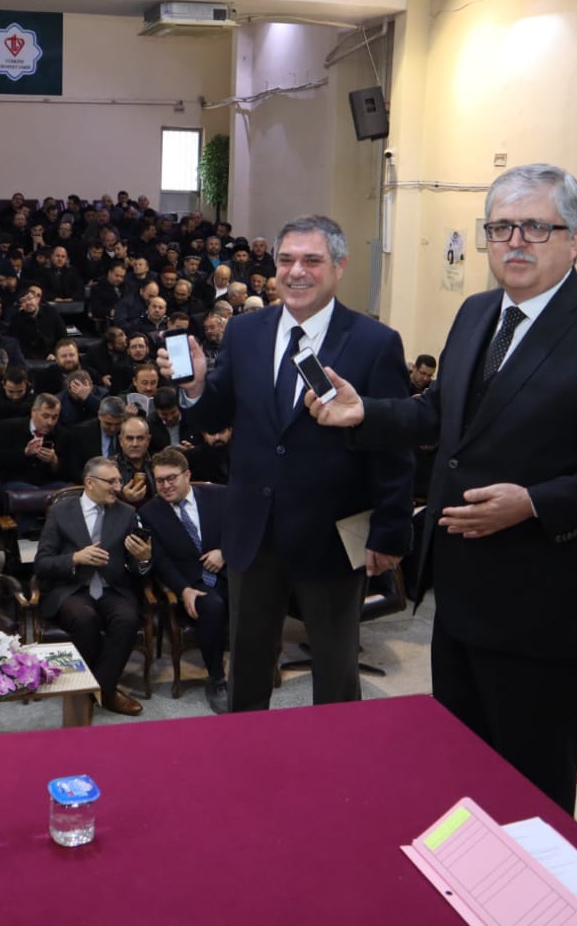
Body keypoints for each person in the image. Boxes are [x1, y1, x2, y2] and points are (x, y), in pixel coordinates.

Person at [307, 164, 577, 813]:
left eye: (536, 227)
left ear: (575, 239)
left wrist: (535, 503)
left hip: (542, 601)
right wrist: (366, 412)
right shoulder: (478, 312)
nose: (515, 242)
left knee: (530, 783)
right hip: (459, 592)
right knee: (461, 763)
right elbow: (442, 414)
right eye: (501, 227)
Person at [166, 214, 415, 713]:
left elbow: (393, 444)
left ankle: (335, 757)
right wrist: (195, 387)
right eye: (286, 260)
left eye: (312, 260)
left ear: (339, 267)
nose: (296, 271)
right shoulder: (245, 331)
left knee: (336, 669)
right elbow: (216, 414)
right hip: (252, 532)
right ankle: (249, 752)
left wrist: (390, 532)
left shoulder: (375, 342)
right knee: (248, 664)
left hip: (331, 535)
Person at [33, 457, 154, 716]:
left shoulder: (126, 513)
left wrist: (144, 559)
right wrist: (75, 558)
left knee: (127, 618)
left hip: (113, 588)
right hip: (72, 589)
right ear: (90, 482)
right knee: (85, 618)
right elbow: (42, 563)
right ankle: (104, 692)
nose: (118, 487)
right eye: (111, 482)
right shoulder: (61, 512)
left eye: (119, 481)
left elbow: (135, 566)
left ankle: (96, 691)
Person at [139, 448, 229, 712]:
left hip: (230, 571)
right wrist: (184, 590)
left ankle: (254, 669)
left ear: (187, 475)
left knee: (256, 595)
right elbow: (161, 561)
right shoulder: (149, 513)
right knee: (212, 605)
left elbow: (242, 530)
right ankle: (216, 679)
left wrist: (225, 552)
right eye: (160, 481)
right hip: (190, 582)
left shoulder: (219, 495)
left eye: (171, 478)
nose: (166, 486)